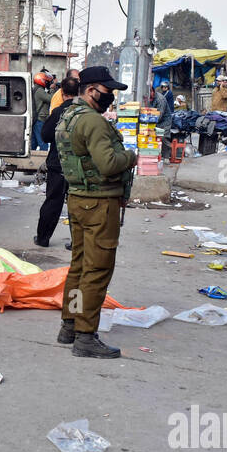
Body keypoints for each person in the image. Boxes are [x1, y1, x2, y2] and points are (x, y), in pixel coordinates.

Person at [57, 66, 136, 359]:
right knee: (97, 269)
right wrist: (130, 157)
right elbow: (108, 164)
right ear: (91, 90)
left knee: (78, 266)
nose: (111, 97)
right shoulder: (93, 122)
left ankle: (70, 324)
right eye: (108, 91)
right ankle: (85, 335)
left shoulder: (69, 116)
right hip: (100, 203)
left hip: (78, 198)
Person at [35, 73, 79, 248]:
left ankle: (43, 238)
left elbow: (45, 136)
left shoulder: (59, 112)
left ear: (62, 92)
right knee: (77, 204)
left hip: (57, 164)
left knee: (53, 201)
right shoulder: (85, 113)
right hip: (78, 167)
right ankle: (77, 242)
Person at [31, 71, 54, 151]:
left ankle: (31, 161)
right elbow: (51, 99)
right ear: (42, 81)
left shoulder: (37, 89)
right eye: (47, 81)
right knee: (43, 143)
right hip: (40, 120)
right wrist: (52, 89)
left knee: (33, 143)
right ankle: (43, 162)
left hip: (36, 120)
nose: (48, 83)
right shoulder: (39, 91)